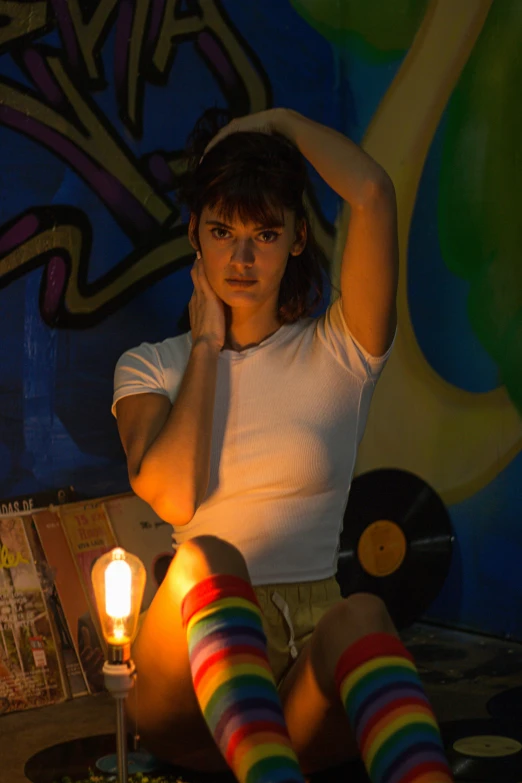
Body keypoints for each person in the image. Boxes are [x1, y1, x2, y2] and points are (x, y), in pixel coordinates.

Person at [112, 108, 454, 783]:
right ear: (195, 238)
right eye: (222, 232)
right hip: (188, 669)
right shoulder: (152, 365)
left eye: (265, 233)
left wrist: (276, 123)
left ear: (298, 237)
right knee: (205, 555)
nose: (241, 258)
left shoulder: (339, 353)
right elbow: (174, 491)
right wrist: (207, 342)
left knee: (362, 611)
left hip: (303, 664)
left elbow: (373, 192)